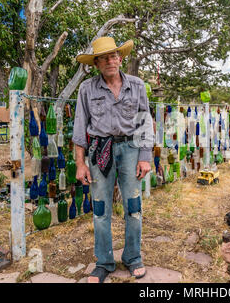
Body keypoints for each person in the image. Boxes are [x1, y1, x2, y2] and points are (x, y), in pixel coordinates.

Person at [73, 36, 154, 283]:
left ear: (120, 59)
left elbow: (145, 121)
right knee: (100, 209)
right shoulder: (87, 89)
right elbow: (79, 128)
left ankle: (132, 257)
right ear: (96, 63)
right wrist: (80, 163)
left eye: (114, 56)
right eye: (104, 58)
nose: (110, 61)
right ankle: (104, 262)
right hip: (100, 150)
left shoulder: (137, 85)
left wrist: (144, 156)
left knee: (133, 205)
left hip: (130, 148)